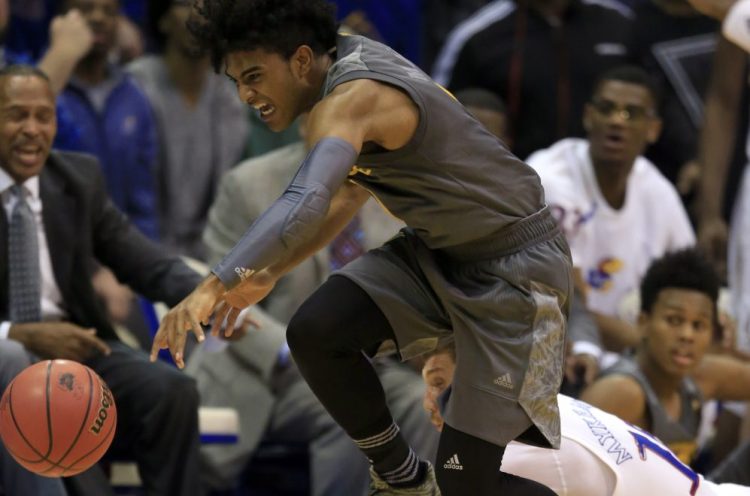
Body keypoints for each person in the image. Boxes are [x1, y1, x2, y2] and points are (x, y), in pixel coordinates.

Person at [152, 1, 572, 495]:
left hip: (516, 269)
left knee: (468, 482)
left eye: (254, 76)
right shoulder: (340, 69)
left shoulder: (355, 96)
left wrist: (215, 283)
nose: (247, 94)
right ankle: (401, 477)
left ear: (302, 60)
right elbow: (349, 192)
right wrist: (271, 270)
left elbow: (307, 198)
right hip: (438, 253)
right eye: (237, 82)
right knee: (317, 330)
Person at [0, 64, 204, 496]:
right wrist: (18, 333)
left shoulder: (75, 179)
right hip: (7, 359)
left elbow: (142, 260)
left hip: (76, 346)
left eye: (45, 116)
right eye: (17, 115)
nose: (33, 130)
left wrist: (210, 296)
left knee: (171, 391)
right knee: (38, 386)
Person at [527, 65, 695, 365]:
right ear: (588, 116)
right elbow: (565, 303)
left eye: (632, 113)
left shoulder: (656, 188)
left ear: (653, 129)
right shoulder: (552, 180)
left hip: (637, 350)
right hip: (560, 349)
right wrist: (659, 346)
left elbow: (690, 278)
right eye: (606, 109)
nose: (617, 120)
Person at [422, 344, 750, 496]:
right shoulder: (542, 405)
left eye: (439, 384)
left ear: (477, 380)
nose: (429, 402)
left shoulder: (517, 454)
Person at [581, 248, 750, 484]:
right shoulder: (622, 392)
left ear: (711, 332)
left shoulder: (700, 376)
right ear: (643, 323)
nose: (686, 335)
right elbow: (561, 472)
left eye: (698, 325)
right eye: (674, 320)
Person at [431, 0, 635, 160]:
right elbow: (439, 120)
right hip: (507, 191)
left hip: (601, 189)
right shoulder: (477, 36)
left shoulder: (617, 23)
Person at [126, 0, 248, 260]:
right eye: (185, 4)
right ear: (163, 20)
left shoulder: (230, 100)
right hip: (139, 255)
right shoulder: (134, 88)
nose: (199, 15)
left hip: (208, 260)